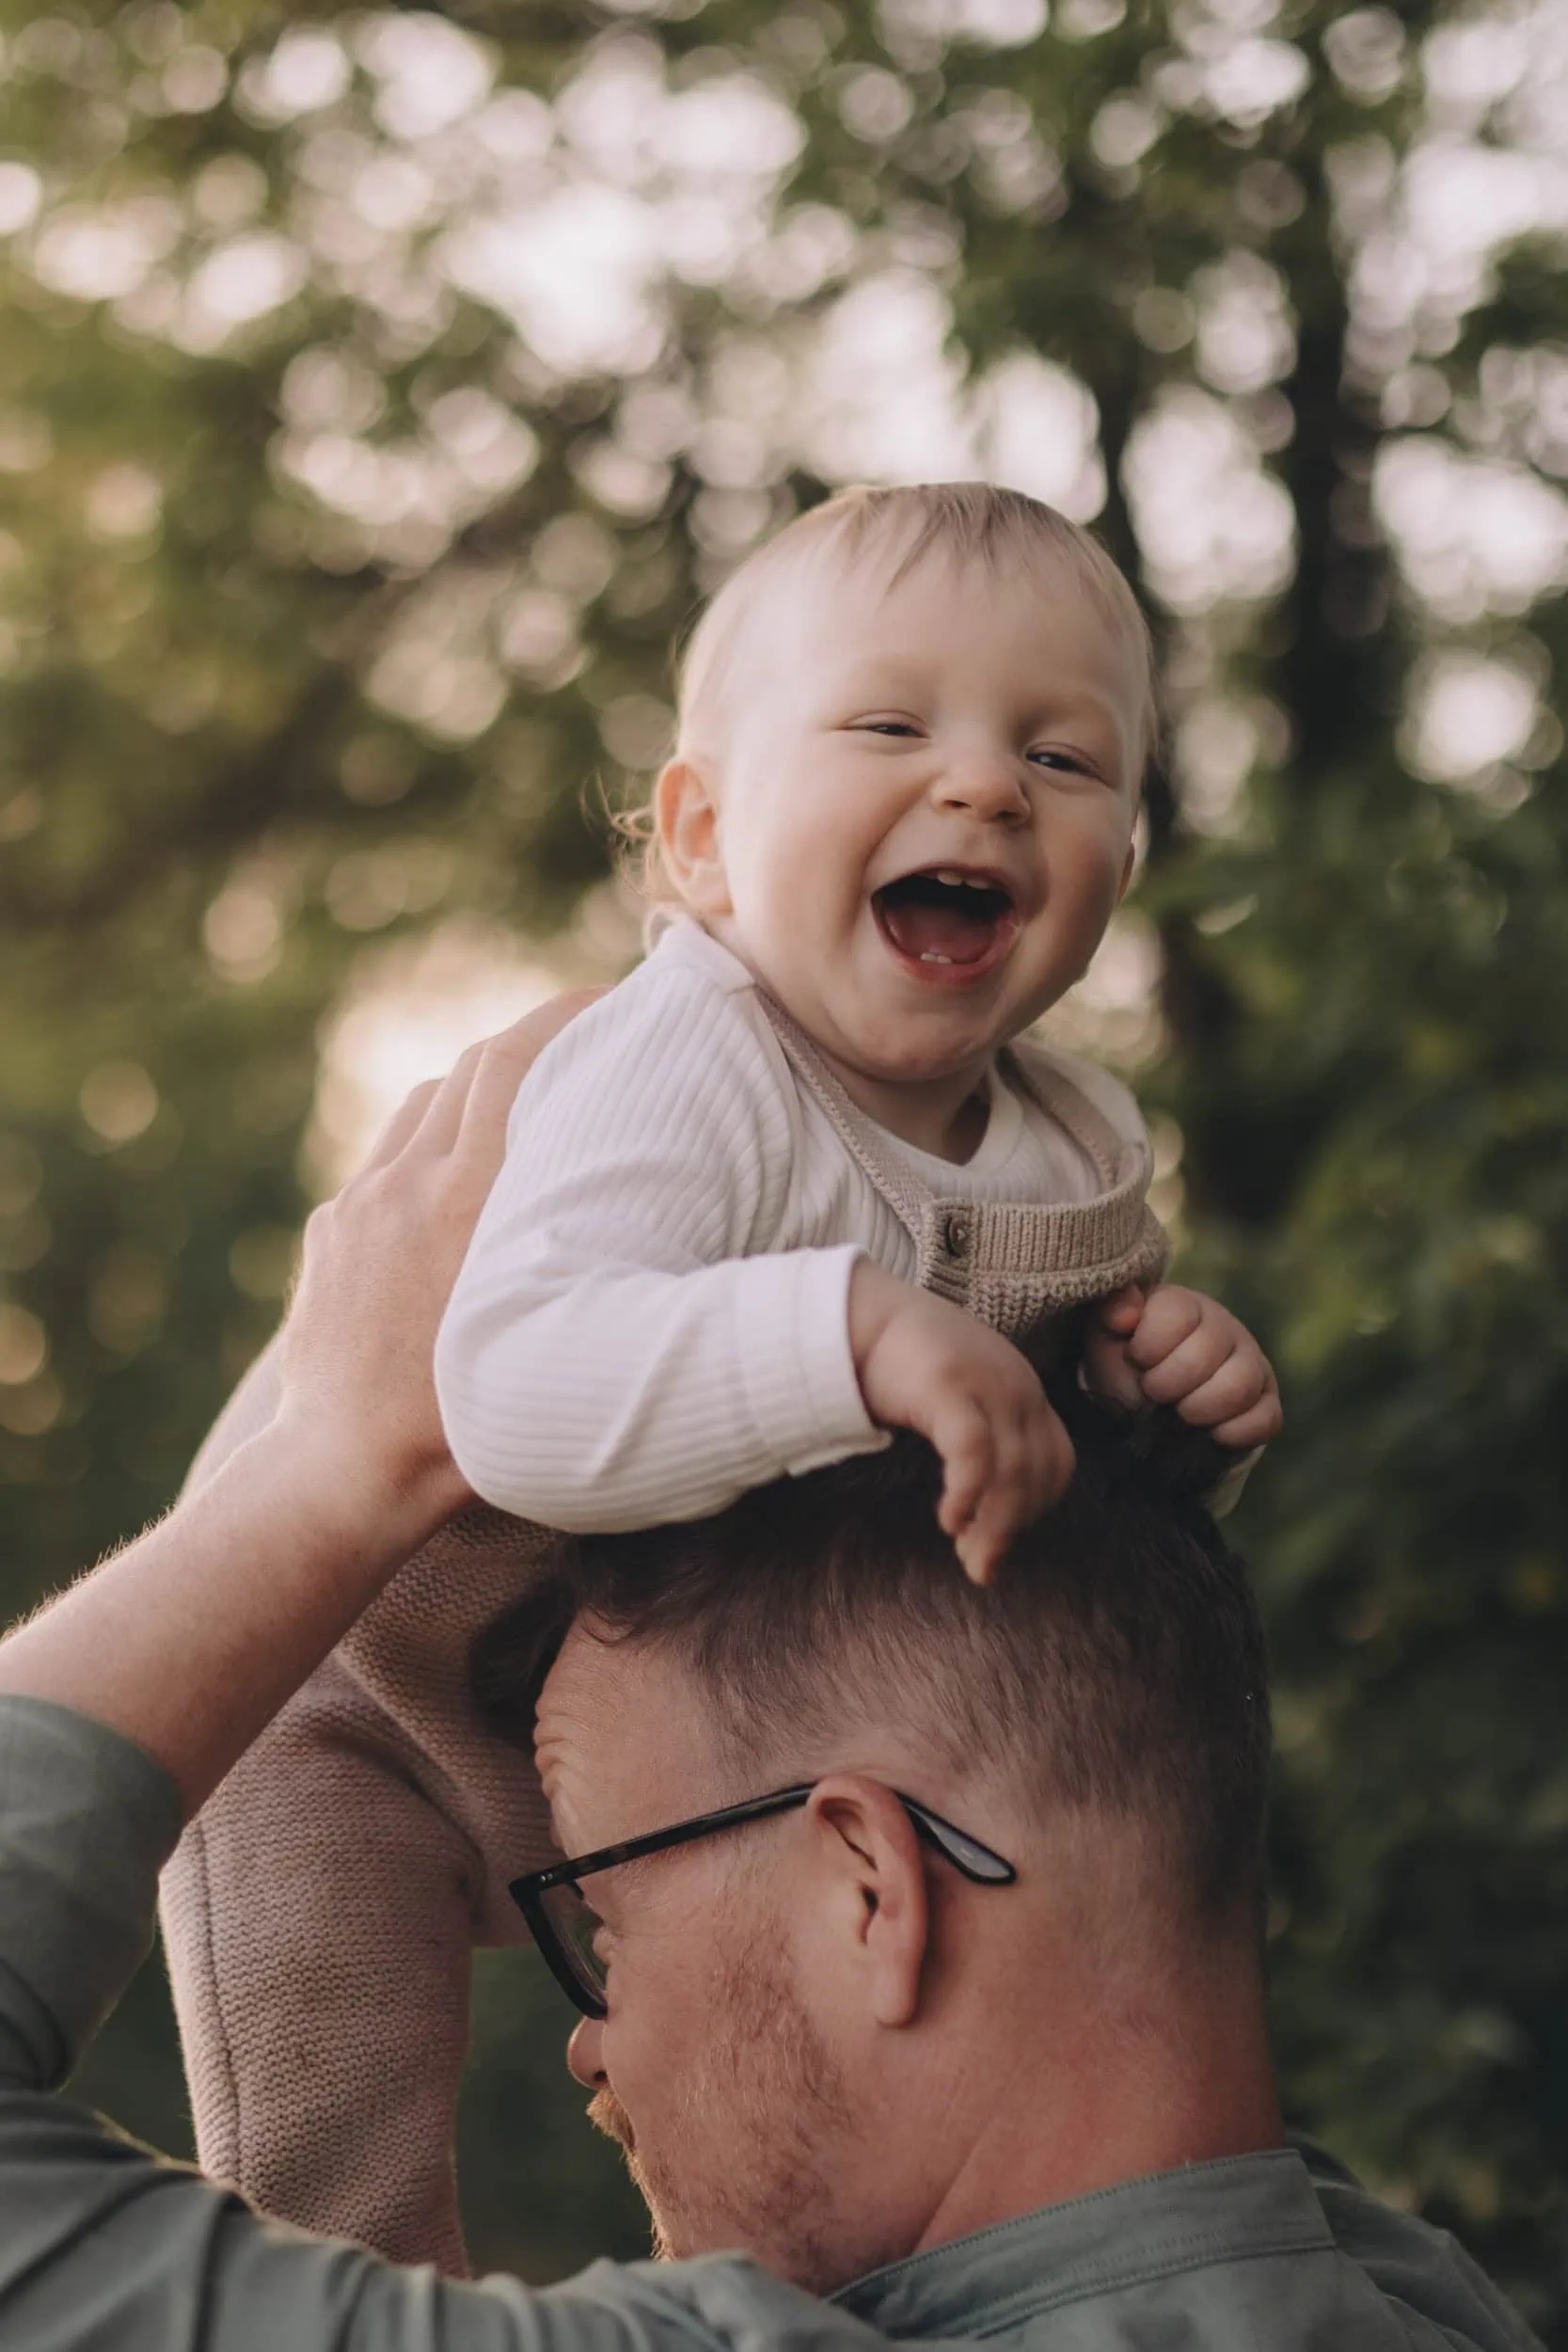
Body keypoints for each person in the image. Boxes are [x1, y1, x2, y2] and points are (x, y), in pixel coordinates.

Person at [0, 1009, 1539, 2351]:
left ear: (871, 1881)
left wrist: (340, 1466)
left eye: (602, 1921)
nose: (589, 2052)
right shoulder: (1437, 2307)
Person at [163, 482, 1283, 2271]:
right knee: (332, 2173)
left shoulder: (1074, 1144)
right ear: (700, 837)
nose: (984, 783)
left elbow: (981, 1532)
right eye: (891, 726)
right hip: (347, 1700)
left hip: (672, 1726)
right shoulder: (683, 1061)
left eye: (1063, 761)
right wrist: (846, 1326)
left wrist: (1143, 1407)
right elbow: (512, 1394)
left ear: (1118, 873)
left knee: (823, 2064)